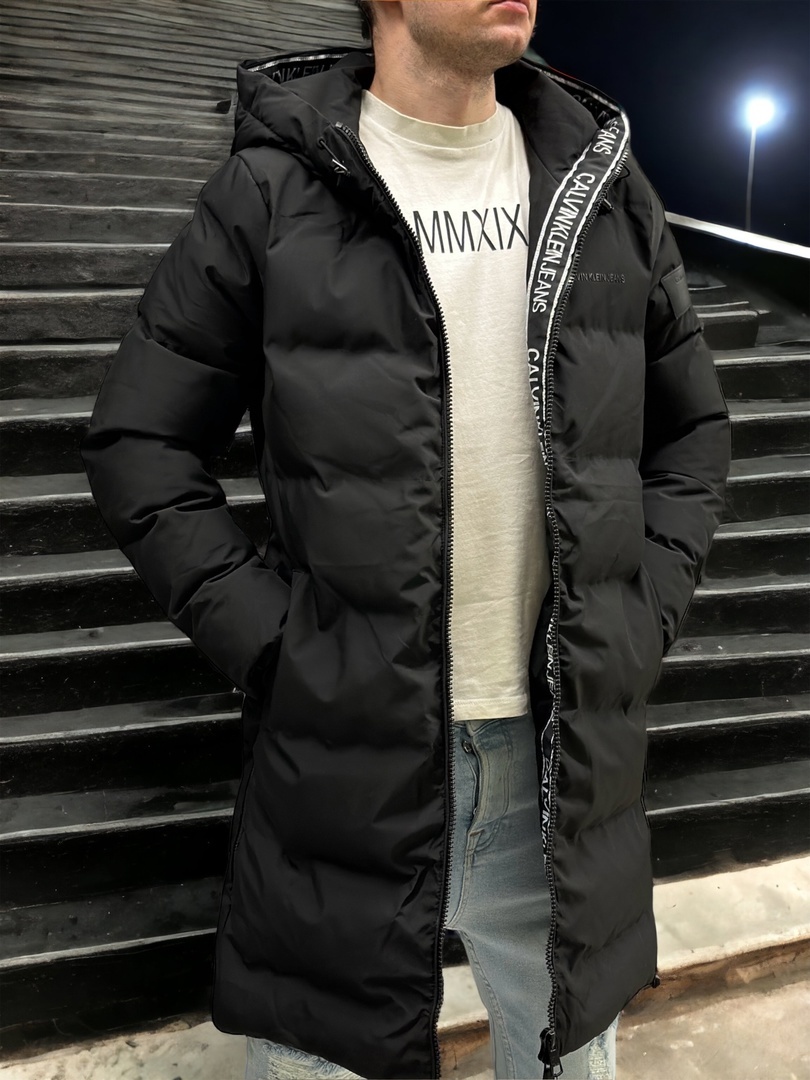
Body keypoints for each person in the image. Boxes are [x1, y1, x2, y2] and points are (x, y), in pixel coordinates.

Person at [80, 1, 731, 1077]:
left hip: (562, 762)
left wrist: (638, 611)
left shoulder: (603, 187)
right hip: (346, 759)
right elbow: (140, 442)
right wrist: (281, 647)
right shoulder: (274, 187)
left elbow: (691, 433)